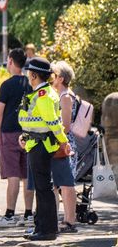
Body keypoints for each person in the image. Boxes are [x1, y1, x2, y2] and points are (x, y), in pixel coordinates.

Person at [18, 57, 70, 241]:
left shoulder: (43, 96)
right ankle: (40, 227)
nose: (26, 76)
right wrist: (24, 136)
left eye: (28, 73)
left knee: (43, 189)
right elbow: (36, 122)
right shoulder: (43, 93)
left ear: (33, 75)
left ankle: (47, 230)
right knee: (42, 188)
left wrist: (64, 141)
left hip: (41, 145)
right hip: (36, 143)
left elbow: (53, 123)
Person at [0, 48, 34, 227]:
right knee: (27, 175)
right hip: (28, 132)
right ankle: (28, 213)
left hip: (9, 132)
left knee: (13, 175)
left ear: (10, 61)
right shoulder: (31, 84)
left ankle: (10, 214)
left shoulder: (7, 85)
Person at [50, 61, 79, 233]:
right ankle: (56, 220)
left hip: (65, 144)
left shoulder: (65, 97)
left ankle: (69, 221)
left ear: (60, 78)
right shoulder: (63, 95)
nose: (51, 77)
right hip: (61, 143)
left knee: (66, 184)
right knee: (56, 183)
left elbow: (65, 126)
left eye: (53, 74)